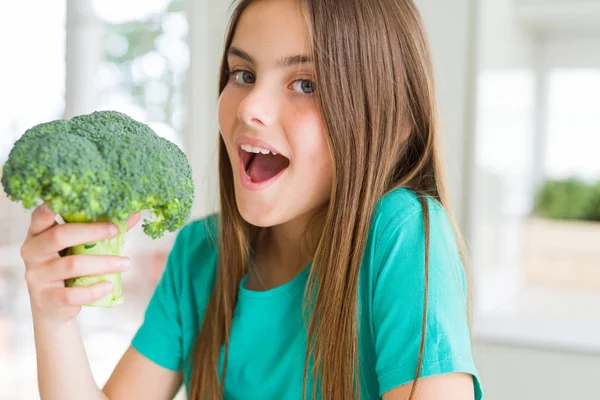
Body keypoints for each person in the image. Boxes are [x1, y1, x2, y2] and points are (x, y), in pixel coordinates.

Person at [21, 0, 484, 398]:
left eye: (307, 84)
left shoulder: (403, 234)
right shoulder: (199, 256)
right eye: (242, 73)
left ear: (388, 119)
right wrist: (53, 318)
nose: (249, 107)